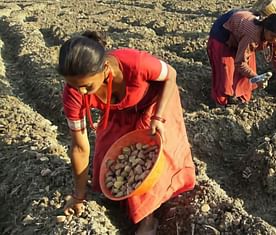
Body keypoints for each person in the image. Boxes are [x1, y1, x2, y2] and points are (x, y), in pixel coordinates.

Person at [58, 31, 195, 234]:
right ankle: (123, 205)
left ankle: (148, 218)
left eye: (87, 86)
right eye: (74, 86)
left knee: (150, 159)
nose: (82, 93)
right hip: (117, 110)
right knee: (109, 159)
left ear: (105, 70)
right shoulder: (73, 94)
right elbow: (79, 147)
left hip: (154, 103)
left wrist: (157, 118)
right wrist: (79, 196)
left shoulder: (136, 63)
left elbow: (171, 75)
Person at [207, 10, 276, 106]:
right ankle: (220, 103)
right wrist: (256, 78)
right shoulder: (252, 35)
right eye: (272, 36)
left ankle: (238, 98)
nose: (274, 40)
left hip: (242, 36)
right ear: (265, 28)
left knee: (246, 76)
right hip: (224, 34)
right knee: (225, 74)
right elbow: (240, 63)